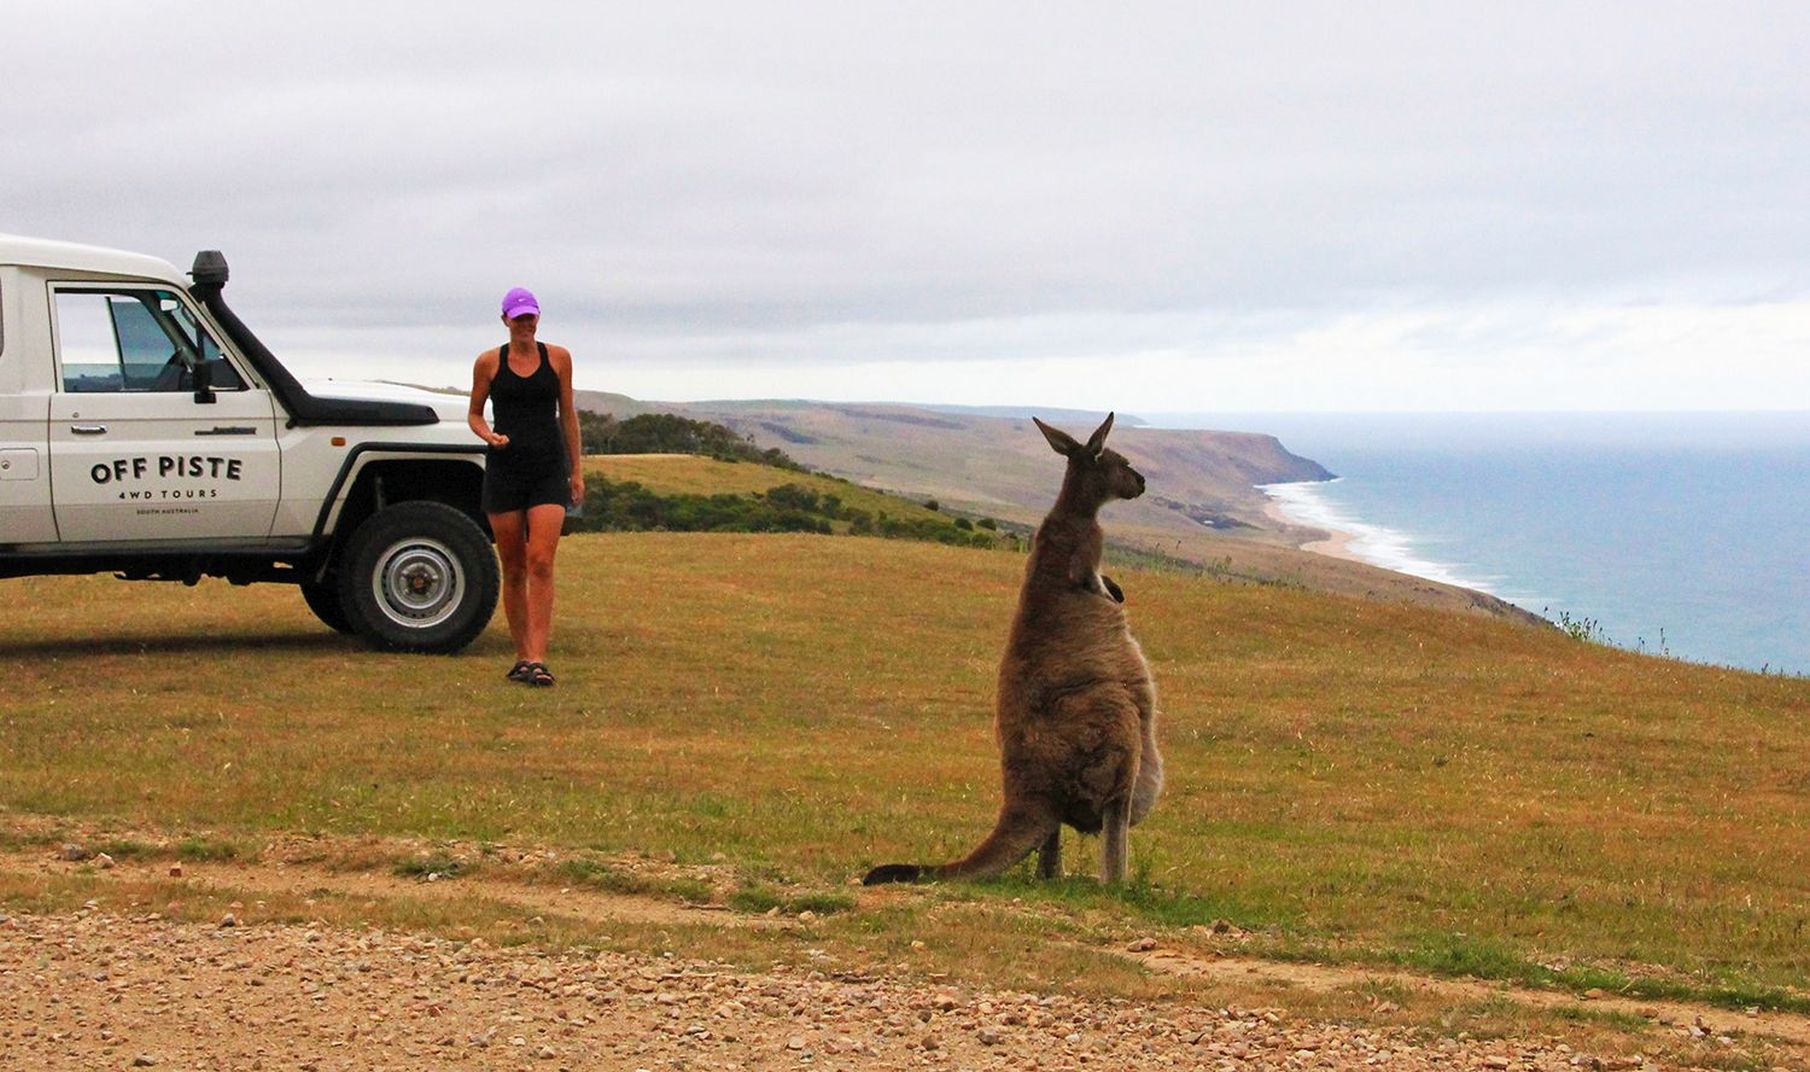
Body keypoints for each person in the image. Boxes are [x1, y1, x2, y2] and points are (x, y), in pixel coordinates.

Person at [467, 287, 584, 687]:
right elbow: (474, 413)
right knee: (514, 566)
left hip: (549, 469)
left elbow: (568, 414)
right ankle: (521, 657)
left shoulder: (559, 358)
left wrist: (577, 470)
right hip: (504, 470)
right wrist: (489, 436)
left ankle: (538, 657)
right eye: (518, 318)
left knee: (542, 562)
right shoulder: (488, 363)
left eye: (530, 317)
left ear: (538, 318)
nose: (525, 324)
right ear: (505, 320)